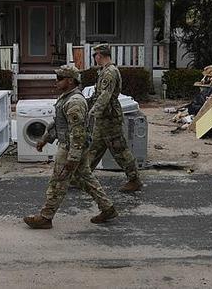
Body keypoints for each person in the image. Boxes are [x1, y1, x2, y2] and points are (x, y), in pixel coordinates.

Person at [23, 64, 117, 229]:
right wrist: (45, 139)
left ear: (71, 81)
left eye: (60, 79)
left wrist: (73, 157)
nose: (56, 82)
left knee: (58, 181)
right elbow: (59, 123)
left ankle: (46, 217)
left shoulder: (74, 101)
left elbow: (77, 132)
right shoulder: (66, 97)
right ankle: (107, 207)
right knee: (86, 179)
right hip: (73, 146)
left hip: (71, 147)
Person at [86, 44, 142, 192]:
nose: (94, 58)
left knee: (119, 150)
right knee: (94, 148)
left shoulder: (110, 72)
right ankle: (82, 177)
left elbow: (105, 96)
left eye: (94, 55)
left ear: (100, 55)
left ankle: (134, 179)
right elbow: (98, 94)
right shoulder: (104, 71)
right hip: (104, 117)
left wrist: (93, 112)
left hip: (110, 118)